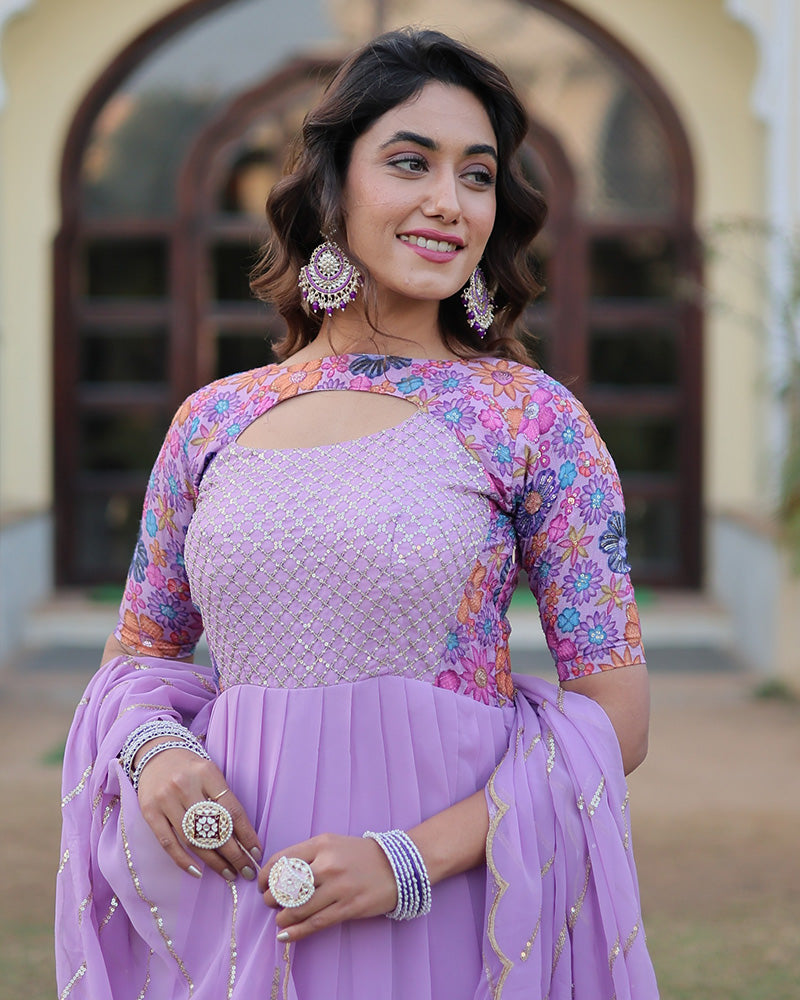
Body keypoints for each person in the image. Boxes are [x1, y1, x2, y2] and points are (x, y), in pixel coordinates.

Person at [56, 27, 658, 1000]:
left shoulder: (530, 420)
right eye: (410, 162)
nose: (448, 201)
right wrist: (155, 751)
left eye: (476, 175)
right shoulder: (213, 420)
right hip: (235, 905)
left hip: (443, 912)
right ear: (333, 189)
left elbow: (614, 719)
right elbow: (135, 660)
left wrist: (407, 861)